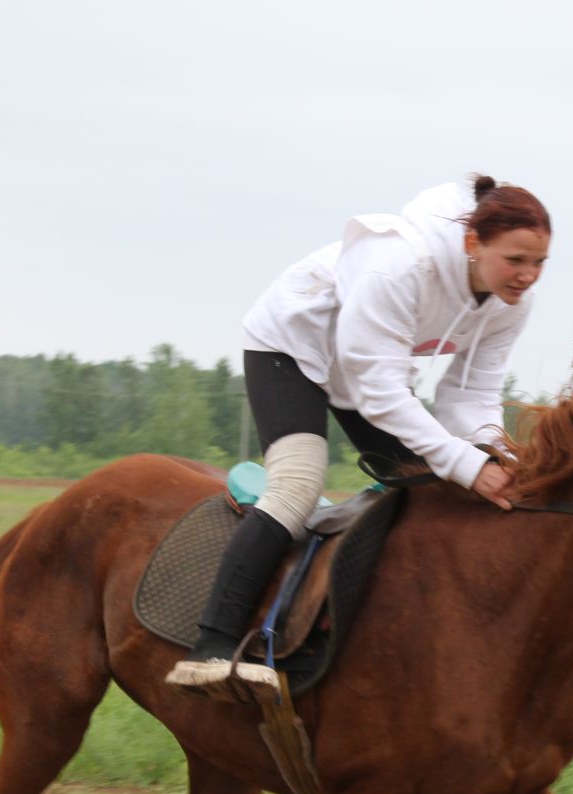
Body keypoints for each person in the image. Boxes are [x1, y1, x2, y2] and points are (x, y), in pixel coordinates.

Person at [167, 174, 550, 695]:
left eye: (539, 264)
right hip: (293, 349)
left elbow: (471, 396)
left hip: (366, 371)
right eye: (515, 261)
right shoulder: (401, 267)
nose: (528, 277)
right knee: (299, 484)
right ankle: (211, 646)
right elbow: (383, 395)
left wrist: (496, 460)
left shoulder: (510, 304)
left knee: (437, 493)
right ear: (472, 244)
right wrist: (466, 464)